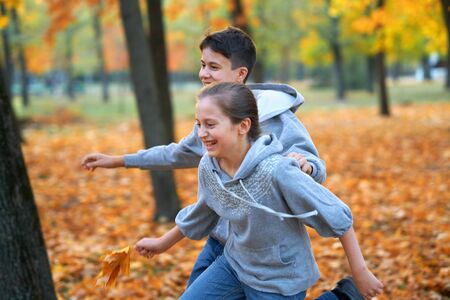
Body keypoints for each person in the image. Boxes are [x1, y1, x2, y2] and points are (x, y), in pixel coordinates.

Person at [81, 27, 365, 298]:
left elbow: (315, 169)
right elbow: (178, 154)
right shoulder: (210, 124)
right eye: (202, 65)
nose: (204, 74)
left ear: (240, 73)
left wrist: (307, 167)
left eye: (213, 67)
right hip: (222, 243)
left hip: (268, 252)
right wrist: (119, 160)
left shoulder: (278, 118)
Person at [134, 82, 383, 299]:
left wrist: (360, 271)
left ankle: (344, 296)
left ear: (243, 126)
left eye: (210, 124)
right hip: (235, 264)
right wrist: (161, 243)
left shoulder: (278, 171)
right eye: (198, 124)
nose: (201, 134)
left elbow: (338, 216)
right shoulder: (208, 167)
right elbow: (202, 212)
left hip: (279, 278)